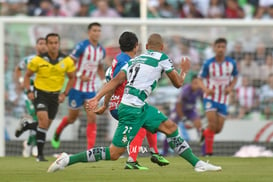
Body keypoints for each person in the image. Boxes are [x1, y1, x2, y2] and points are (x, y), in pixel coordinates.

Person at [48, 33, 222, 173]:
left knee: (170, 128)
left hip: (139, 106)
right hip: (130, 110)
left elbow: (115, 81)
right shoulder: (162, 57)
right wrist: (183, 71)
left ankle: (198, 164)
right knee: (114, 153)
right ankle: (67, 159)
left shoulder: (134, 60)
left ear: (146, 47)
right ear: (162, 47)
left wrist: (97, 97)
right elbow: (178, 84)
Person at [95, 31, 169, 170]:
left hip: (119, 103)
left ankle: (154, 153)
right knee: (140, 125)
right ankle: (132, 161)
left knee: (150, 121)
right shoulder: (127, 62)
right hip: (123, 104)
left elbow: (111, 81)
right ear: (136, 46)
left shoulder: (120, 59)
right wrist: (104, 104)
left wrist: (106, 104)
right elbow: (115, 83)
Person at [51, 22, 106, 150]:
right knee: (72, 118)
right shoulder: (82, 46)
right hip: (76, 88)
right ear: (89, 32)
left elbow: (99, 67)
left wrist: (104, 81)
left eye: (99, 30)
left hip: (91, 89)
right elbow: (70, 63)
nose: (97, 33)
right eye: (94, 30)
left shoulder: (101, 50)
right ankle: (58, 132)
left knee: (92, 117)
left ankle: (89, 149)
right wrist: (80, 74)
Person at [23, 33, 76, 161]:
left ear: (59, 44)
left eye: (55, 43)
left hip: (55, 96)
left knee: (45, 125)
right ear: (46, 45)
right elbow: (27, 76)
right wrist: (29, 91)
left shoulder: (66, 60)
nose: (53, 45)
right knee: (43, 121)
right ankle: (40, 155)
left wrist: (64, 94)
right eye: (50, 43)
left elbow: (72, 77)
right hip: (40, 94)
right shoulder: (37, 60)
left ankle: (27, 126)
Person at [199, 38, 238, 156]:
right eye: (218, 47)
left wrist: (230, 88)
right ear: (214, 48)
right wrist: (206, 89)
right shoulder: (208, 63)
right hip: (210, 97)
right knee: (212, 124)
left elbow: (235, 77)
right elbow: (200, 79)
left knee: (218, 129)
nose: (220, 49)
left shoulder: (231, 63)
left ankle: (204, 132)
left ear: (225, 49)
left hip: (223, 99)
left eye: (223, 47)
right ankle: (209, 153)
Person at [14, 37, 47, 158]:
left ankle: (28, 144)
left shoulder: (49, 61)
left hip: (43, 93)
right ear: (36, 46)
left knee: (40, 121)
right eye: (40, 43)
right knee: (36, 117)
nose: (43, 46)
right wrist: (21, 80)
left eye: (45, 44)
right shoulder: (29, 59)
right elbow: (18, 68)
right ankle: (33, 147)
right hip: (30, 92)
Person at [163, 75, 203, 156]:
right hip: (179, 111)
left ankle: (204, 151)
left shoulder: (200, 90)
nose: (197, 85)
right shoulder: (186, 90)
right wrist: (184, 120)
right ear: (191, 83)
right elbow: (178, 105)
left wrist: (203, 114)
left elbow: (203, 101)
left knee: (199, 126)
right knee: (169, 128)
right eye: (195, 83)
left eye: (198, 83)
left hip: (190, 110)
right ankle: (164, 152)